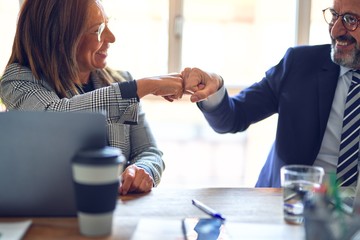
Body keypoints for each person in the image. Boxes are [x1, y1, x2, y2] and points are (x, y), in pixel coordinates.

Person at [0, 0, 184, 195]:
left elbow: (148, 152)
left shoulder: (121, 81)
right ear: (59, 37)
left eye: (108, 24)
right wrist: (141, 88)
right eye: (98, 29)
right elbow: (53, 117)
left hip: (113, 212)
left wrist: (142, 170)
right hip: (46, 213)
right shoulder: (18, 80)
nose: (111, 37)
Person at [181, 0, 360, 187]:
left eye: (350, 19)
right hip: (291, 204)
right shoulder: (299, 64)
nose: (335, 30)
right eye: (334, 16)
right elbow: (234, 116)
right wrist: (215, 89)